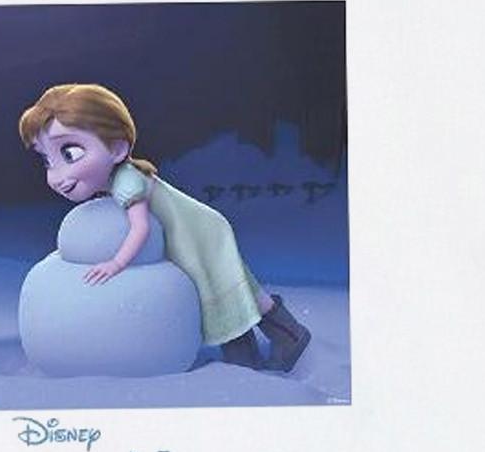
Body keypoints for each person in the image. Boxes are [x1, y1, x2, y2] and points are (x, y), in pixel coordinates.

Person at [18, 82, 310, 370]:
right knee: (230, 289)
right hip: (191, 231)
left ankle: (281, 341)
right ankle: (263, 347)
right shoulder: (116, 179)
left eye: (70, 153)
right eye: (47, 160)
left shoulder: (127, 181)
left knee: (221, 292)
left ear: (117, 148)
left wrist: (116, 263)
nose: (56, 176)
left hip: (198, 233)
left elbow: (140, 228)